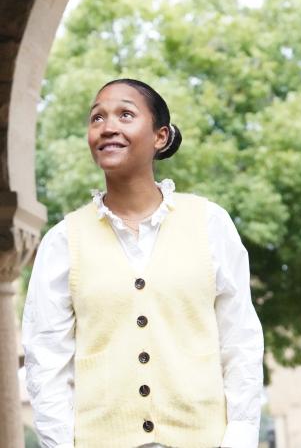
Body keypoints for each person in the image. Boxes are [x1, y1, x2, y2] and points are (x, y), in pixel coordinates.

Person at [21, 78, 264, 448]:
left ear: (160, 136)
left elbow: (240, 340)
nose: (108, 127)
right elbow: (46, 362)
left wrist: (239, 439)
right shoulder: (63, 241)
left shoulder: (210, 223)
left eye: (125, 114)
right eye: (97, 118)